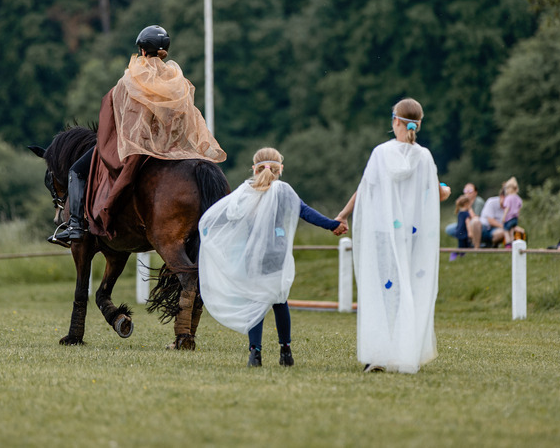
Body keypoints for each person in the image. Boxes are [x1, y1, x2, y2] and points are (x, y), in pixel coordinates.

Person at [49, 25, 225, 246]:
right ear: (165, 50)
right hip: (170, 147)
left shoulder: (131, 79)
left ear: (142, 50)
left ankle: (74, 225)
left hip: (138, 147)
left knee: (76, 170)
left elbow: (115, 117)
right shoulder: (176, 79)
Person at [198, 148, 348, 368]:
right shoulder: (283, 191)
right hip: (276, 254)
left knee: (255, 300)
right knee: (280, 301)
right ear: (281, 169)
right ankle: (285, 351)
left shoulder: (245, 191)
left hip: (252, 256)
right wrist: (334, 225)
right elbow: (306, 213)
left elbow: (226, 218)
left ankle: (255, 353)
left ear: (254, 168)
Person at [334, 98, 452, 374]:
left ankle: (378, 354)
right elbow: (438, 193)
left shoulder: (381, 153)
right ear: (418, 124)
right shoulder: (424, 157)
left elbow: (364, 189)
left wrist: (343, 214)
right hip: (412, 237)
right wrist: (445, 190)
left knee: (381, 291)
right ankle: (404, 352)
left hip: (383, 234)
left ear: (395, 121)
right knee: (406, 289)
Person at [451, 194, 477, 261]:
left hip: (459, 231)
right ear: (466, 204)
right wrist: (470, 232)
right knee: (463, 246)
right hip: (464, 232)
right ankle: (455, 254)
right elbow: (468, 223)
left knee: (463, 245)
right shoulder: (466, 214)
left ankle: (462, 257)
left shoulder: (460, 212)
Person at [501, 177, 523, 246]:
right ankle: (513, 244)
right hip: (515, 218)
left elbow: (507, 208)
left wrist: (504, 217)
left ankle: (508, 245)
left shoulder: (508, 198)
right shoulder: (518, 198)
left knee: (506, 231)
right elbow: (519, 207)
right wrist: (517, 216)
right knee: (512, 232)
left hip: (509, 218)